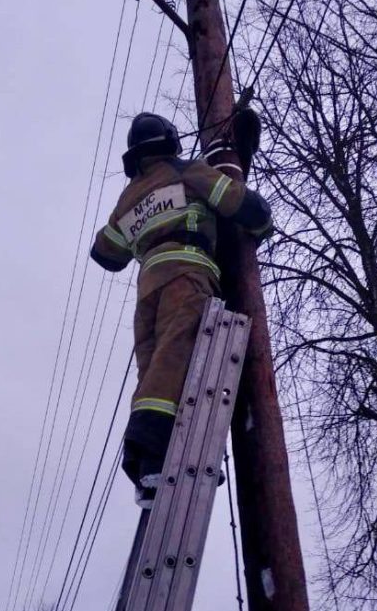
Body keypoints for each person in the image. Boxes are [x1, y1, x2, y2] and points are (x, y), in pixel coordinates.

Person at [90, 112, 272, 508]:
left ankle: (147, 467)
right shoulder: (186, 171)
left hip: (147, 288)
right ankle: (153, 457)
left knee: (154, 368)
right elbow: (238, 202)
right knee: (179, 360)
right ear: (170, 142)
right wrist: (260, 221)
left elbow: (105, 253)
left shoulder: (128, 199)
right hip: (187, 273)